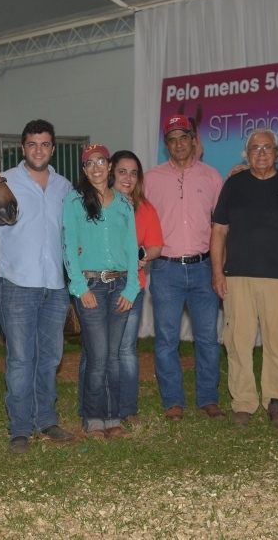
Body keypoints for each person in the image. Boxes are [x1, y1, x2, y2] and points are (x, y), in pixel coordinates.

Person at [0, 119, 76, 455]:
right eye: (32, 144)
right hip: (16, 282)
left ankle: (47, 420)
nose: (38, 150)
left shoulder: (64, 187)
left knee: (51, 356)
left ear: (52, 148)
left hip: (55, 286)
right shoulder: (5, 181)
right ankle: (20, 430)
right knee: (20, 359)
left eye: (44, 144)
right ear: (23, 148)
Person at [210, 129, 278, 429]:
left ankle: (277, 402)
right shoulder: (233, 184)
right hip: (237, 277)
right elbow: (219, 231)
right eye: (254, 149)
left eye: (267, 148)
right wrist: (217, 272)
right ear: (246, 155)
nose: (261, 153)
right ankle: (244, 404)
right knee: (237, 341)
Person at [144, 114, 225, 421]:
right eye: (172, 140)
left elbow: (221, 227)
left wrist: (220, 268)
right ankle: (174, 402)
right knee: (166, 339)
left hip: (205, 268)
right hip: (166, 270)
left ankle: (208, 399)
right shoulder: (150, 179)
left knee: (207, 337)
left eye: (184, 138)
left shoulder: (212, 177)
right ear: (167, 145)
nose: (179, 144)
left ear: (194, 141)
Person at [63, 143, 140, 438]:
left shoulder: (123, 204)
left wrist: (132, 287)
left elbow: (132, 249)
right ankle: (94, 418)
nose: (96, 167)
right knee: (97, 357)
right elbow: (68, 246)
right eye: (89, 163)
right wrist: (79, 287)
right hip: (90, 286)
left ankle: (113, 419)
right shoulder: (73, 202)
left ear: (109, 167)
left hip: (121, 286)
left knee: (114, 357)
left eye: (101, 162)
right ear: (84, 170)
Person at [109, 151, 163, 425]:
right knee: (100, 350)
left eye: (133, 173)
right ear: (111, 173)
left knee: (126, 349)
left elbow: (155, 245)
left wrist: (145, 255)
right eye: (122, 171)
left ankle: (127, 410)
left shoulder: (146, 208)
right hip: (99, 287)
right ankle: (100, 408)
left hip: (132, 288)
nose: (128, 178)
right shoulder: (96, 205)